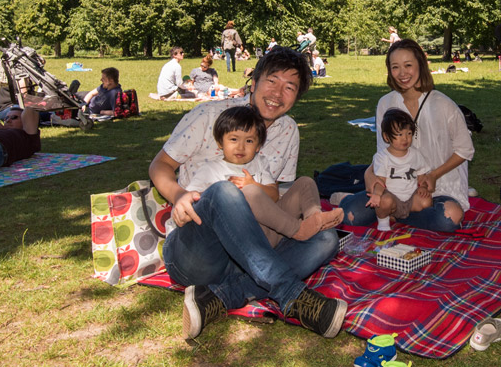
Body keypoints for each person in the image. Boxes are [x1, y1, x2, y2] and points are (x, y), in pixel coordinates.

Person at [149, 46, 346, 340]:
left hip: (250, 251)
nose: (278, 94)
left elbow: (274, 199)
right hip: (196, 251)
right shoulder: (210, 114)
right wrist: (178, 196)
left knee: (326, 239)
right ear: (254, 83)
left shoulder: (288, 131)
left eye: (289, 87)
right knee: (225, 192)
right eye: (272, 81)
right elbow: (159, 165)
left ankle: (221, 298)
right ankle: (291, 295)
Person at [334, 39, 475, 233]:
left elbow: (465, 150)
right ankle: (386, 208)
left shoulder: (443, 105)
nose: (402, 73)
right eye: (395, 67)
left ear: (421, 65)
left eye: (408, 65)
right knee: (350, 215)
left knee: (449, 218)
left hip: (434, 189)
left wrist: (433, 174)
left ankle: (393, 214)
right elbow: (385, 149)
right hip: (394, 188)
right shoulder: (386, 103)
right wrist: (371, 172)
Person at [185, 106, 343, 244]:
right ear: (220, 142)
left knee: (305, 182)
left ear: (258, 146)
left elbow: (274, 195)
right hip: (245, 237)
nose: (240, 147)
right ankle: (299, 231)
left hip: (276, 229)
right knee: (250, 193)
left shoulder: (259, 163)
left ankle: (314, 219)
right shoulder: (210, 169)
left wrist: (254, 185)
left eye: (249, 141)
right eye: (233, 139)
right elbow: (192, 199)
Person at [368, 108, 431, 231]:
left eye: (409, 133)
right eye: (399, 134)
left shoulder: (416, 155)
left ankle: (400, 217)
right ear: (386, 137)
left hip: (410, 198)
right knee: (384, 201)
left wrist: (423, 187)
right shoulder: (382, 157)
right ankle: (383, 220)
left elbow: (422, 175)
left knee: (426, 201)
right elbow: (380, 181)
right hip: (392, 198)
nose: (405, 139)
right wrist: (376, 195)